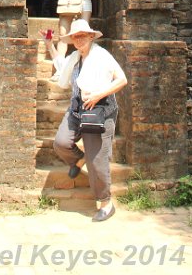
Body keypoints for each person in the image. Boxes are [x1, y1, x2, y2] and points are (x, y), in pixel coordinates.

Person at [39, 19, 127, 222]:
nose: (79, 40)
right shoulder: (74, 58)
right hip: (78, 109)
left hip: (100, 110)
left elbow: (121, 79)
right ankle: (79, 160)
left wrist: (98, 94)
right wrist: (49, 45)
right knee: (61, 142)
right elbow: (60, 67)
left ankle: (106, 203)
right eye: (75, 37)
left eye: (82, 36)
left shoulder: (102, 55)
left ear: (90, 36)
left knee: (97, 159)